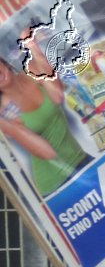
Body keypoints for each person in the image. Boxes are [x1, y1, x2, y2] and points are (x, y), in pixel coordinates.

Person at [0, 56, 88, 197]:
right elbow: (47, 153)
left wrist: (33, 46)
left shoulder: (31, 71)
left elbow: (58, 95)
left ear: (3, 62)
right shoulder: (4, 115)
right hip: (57, 183)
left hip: (81, 158)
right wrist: (8, 125)